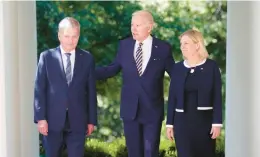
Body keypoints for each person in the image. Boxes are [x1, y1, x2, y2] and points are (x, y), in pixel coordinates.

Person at [95, 10, 174, 157]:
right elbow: (111, 69)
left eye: (138, 25)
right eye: (132, 25)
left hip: (152, 111)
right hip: (130, 111)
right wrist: (86, 73)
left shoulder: (163, 48)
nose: (133, 29)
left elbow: (175, 75)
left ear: (149, 27)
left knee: (151, 153)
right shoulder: (124, 45)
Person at [34, 17, 97, 157]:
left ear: (79, 36)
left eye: (74, 36)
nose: (71, 40)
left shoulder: (87, 59)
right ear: (59, 35)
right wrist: (40, 118)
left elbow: (91, 91)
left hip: (78, 120)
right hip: (52, 121)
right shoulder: (47, 57)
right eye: (67, 36)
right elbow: (40, 89)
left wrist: (92, 120)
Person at [166, 29, 222, 157]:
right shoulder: (177, 68)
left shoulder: (211, 67)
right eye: (181, 44)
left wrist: (217, 123)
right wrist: (170, 124)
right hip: (182, 122)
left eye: (186, 43)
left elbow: (217, 97)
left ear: (197, 45)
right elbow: (172, 98)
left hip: (204, 122)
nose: (182, 47)